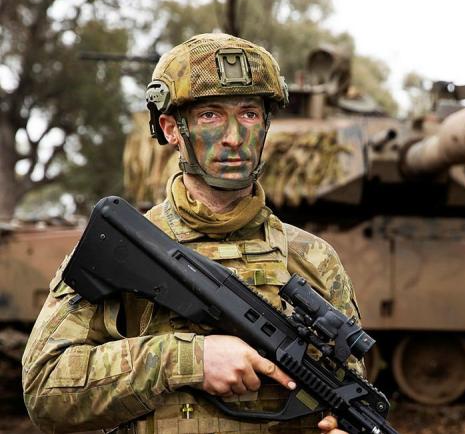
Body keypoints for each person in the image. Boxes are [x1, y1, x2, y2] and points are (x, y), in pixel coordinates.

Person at [22, 33, 362, 434]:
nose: (234, 137)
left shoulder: (314, 258)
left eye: (249, 114)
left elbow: (347, 393)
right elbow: (45, 390)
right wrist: (189, 359)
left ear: (266, 125)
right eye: (210, 115)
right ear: (170, 129)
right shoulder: (123, 247)